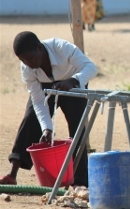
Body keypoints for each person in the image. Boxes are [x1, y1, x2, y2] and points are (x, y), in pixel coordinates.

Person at [0, 31, 98, 187]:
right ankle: (12, 174)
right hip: (45, 88)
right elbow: (38, 101)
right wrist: (47, 128)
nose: (28, 63)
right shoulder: (26, 68)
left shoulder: (62, 48)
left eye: (30, 58)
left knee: (77, 128)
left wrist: (73, 81)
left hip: (74, 84)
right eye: (23, 60)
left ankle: (80, 181)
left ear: (39, 48)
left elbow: (91, 67)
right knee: (30, 119)